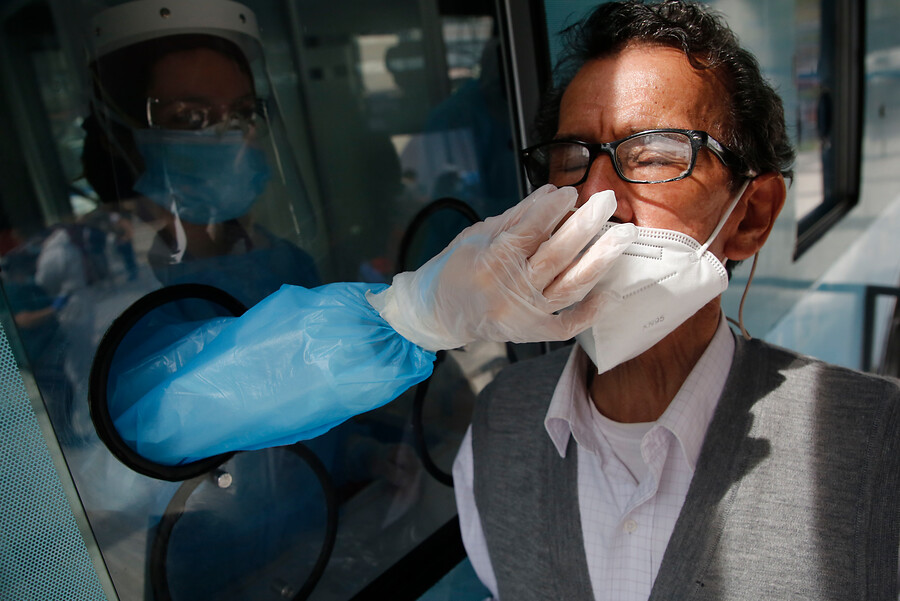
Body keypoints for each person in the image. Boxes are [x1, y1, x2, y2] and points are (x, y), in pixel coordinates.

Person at [439, 2, 900, 599]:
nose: (595, 199)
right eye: (572, 159)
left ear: (751, 216)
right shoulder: (499, 423)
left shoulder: (878, 446)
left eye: (654, 155)